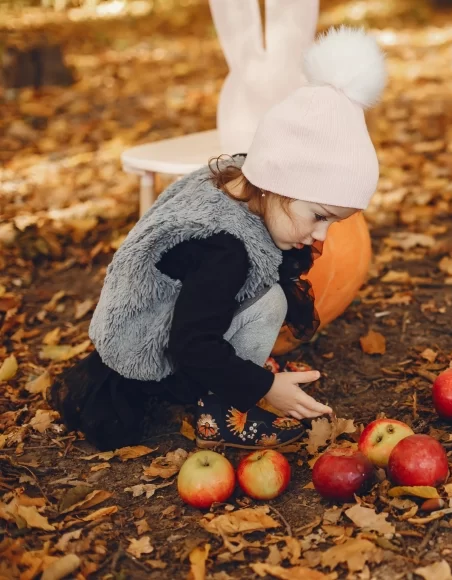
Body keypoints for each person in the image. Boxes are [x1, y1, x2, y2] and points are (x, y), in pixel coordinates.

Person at [50, 26, 388, 452]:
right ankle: (219, 411)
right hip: (153, 350)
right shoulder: (225, 251)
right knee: (270, 302)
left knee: (263, 296)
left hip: (174, 320)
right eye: (319, 216)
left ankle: (233, 373)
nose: (321, 235)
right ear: (278, 182)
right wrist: (263, 387)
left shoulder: (236, 180)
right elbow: (191, 344)